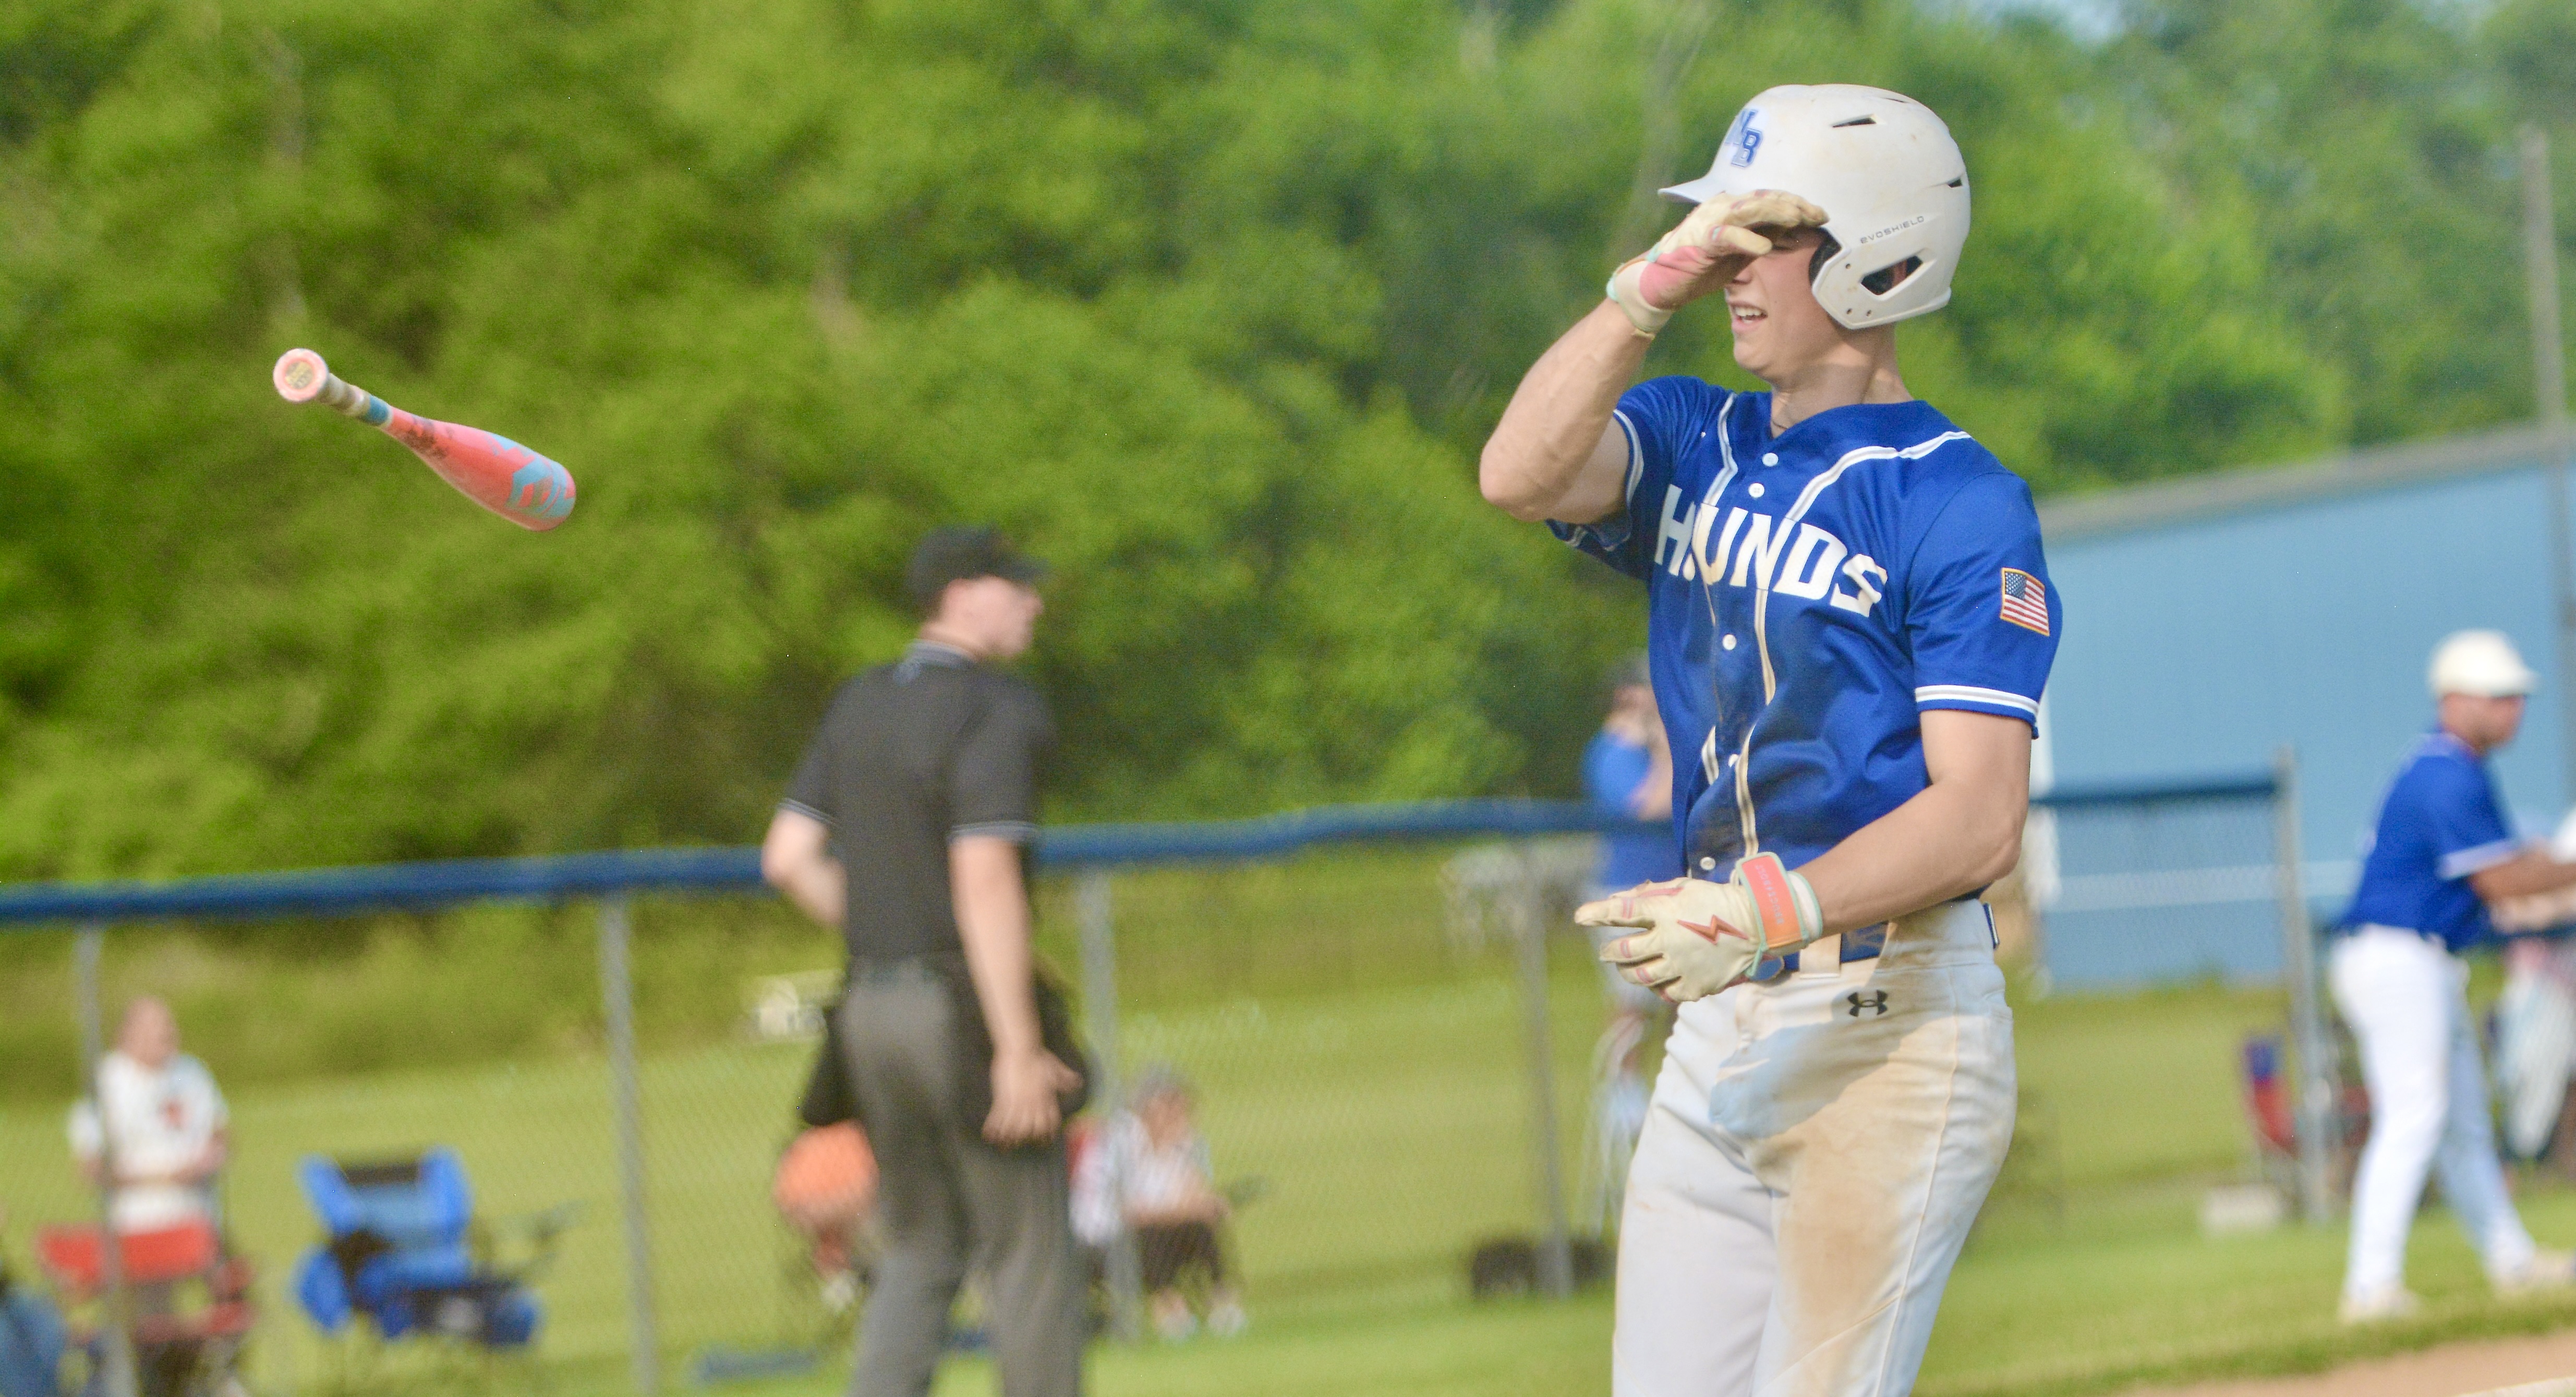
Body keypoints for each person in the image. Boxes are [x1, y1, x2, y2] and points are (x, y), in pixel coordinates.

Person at [1479, 84, 2056, 1394]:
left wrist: (1765, 906)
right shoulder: (1697, 433)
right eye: (1720, 243)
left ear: (1877, 255)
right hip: (1719, 1025)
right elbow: (1515, 474)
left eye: (1762, 241)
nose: (1727, 272)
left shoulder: (1958, 499)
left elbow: (1977, 815)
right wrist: (1640, 294)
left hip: (1887, 1027)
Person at [761, 525, 1086, 1397]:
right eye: (1018, 585)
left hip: (868, 1008)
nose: (1033, 602)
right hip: (960, 1009)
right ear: (966, 592)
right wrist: (1016, 1044)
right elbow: (983, 875)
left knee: (918, 1247)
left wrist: (878, 925)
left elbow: (787, 856)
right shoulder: (996, 706)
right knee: (1026, 1253)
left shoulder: (858, 699)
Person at [2332, 630, 2576, 1322]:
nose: (2512, 711)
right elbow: (2505, 883)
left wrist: (2546, 865)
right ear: (2455, 700)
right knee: (2415, 1113)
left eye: (2515, 698)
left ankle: (2512, 1260)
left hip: (2422, 958)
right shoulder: (2445, 773)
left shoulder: (2453, 767)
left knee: (2463, 1122)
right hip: (2395, 956)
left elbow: (2505, 874)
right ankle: (2368, 1285)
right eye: (2498, 697)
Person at [1577, 655, 1677, 1234]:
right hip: (1624, 895)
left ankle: (1666, 1105)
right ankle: (1623, 1105)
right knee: (1632, 1008)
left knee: (1678, 1004)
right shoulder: (1611, 752)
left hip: (1668, 889)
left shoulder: (1649, 748)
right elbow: (1647, 805)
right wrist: (1662, 746)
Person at [1077, 1070, 1244, 1343]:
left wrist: (1185, 1156)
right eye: (1171, 1106)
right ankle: (1170, 1312)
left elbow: (1193, 1196)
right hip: (1101, 1235)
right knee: (1154, 1233)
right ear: (1149, 1108)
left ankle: (1223, 1305)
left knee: (1200, 1228)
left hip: (1156, 1226)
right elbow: (1130, 1212)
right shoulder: (1118, 1141)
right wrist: (1189, 1209)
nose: (1181, 1115)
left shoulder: (1184, 1142)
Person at [67, 998, 228, 1236]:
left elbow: (219, 1126)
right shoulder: (108, 1085)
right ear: (128, 1034)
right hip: (137, 1224)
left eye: (169, 1029)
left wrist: (211, 1156)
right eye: (155, 1030)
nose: (167, 1036)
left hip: (201, 1216)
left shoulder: (190, 1072)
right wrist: (165, 1180)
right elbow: (92, 1167)